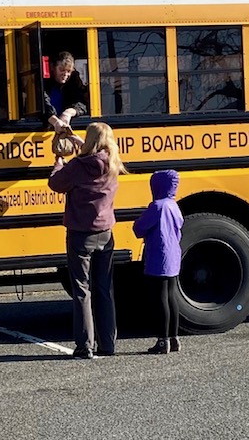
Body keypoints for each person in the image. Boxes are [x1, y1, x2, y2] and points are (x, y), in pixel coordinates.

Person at [48, 122, 128, 359]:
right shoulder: (113, 163)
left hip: (81, 234)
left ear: (90, 140)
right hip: (106, 233)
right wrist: (78, 143)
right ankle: (108, 344)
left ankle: (85, 346)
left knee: (82, 289)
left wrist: (58, 164)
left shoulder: (77, 166)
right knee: (104, 289)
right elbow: (95, 156)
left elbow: (56, 184)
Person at [133, 170, 184, 355]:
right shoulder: (173, 205)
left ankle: (162, 340)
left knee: (159, 297)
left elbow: (139, 228)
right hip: (173, 255)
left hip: (158, 255)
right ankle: (174, 338)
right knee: (171, 296)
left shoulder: (157, 206)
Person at [44, 51, 88, 133]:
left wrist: (68, 113)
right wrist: (55, 121)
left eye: (68, 71)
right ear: (52, 67)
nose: (65, 74)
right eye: (61, 70)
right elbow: (42, 103)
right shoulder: (44, 83)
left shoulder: (74, 82)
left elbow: (82, 102)